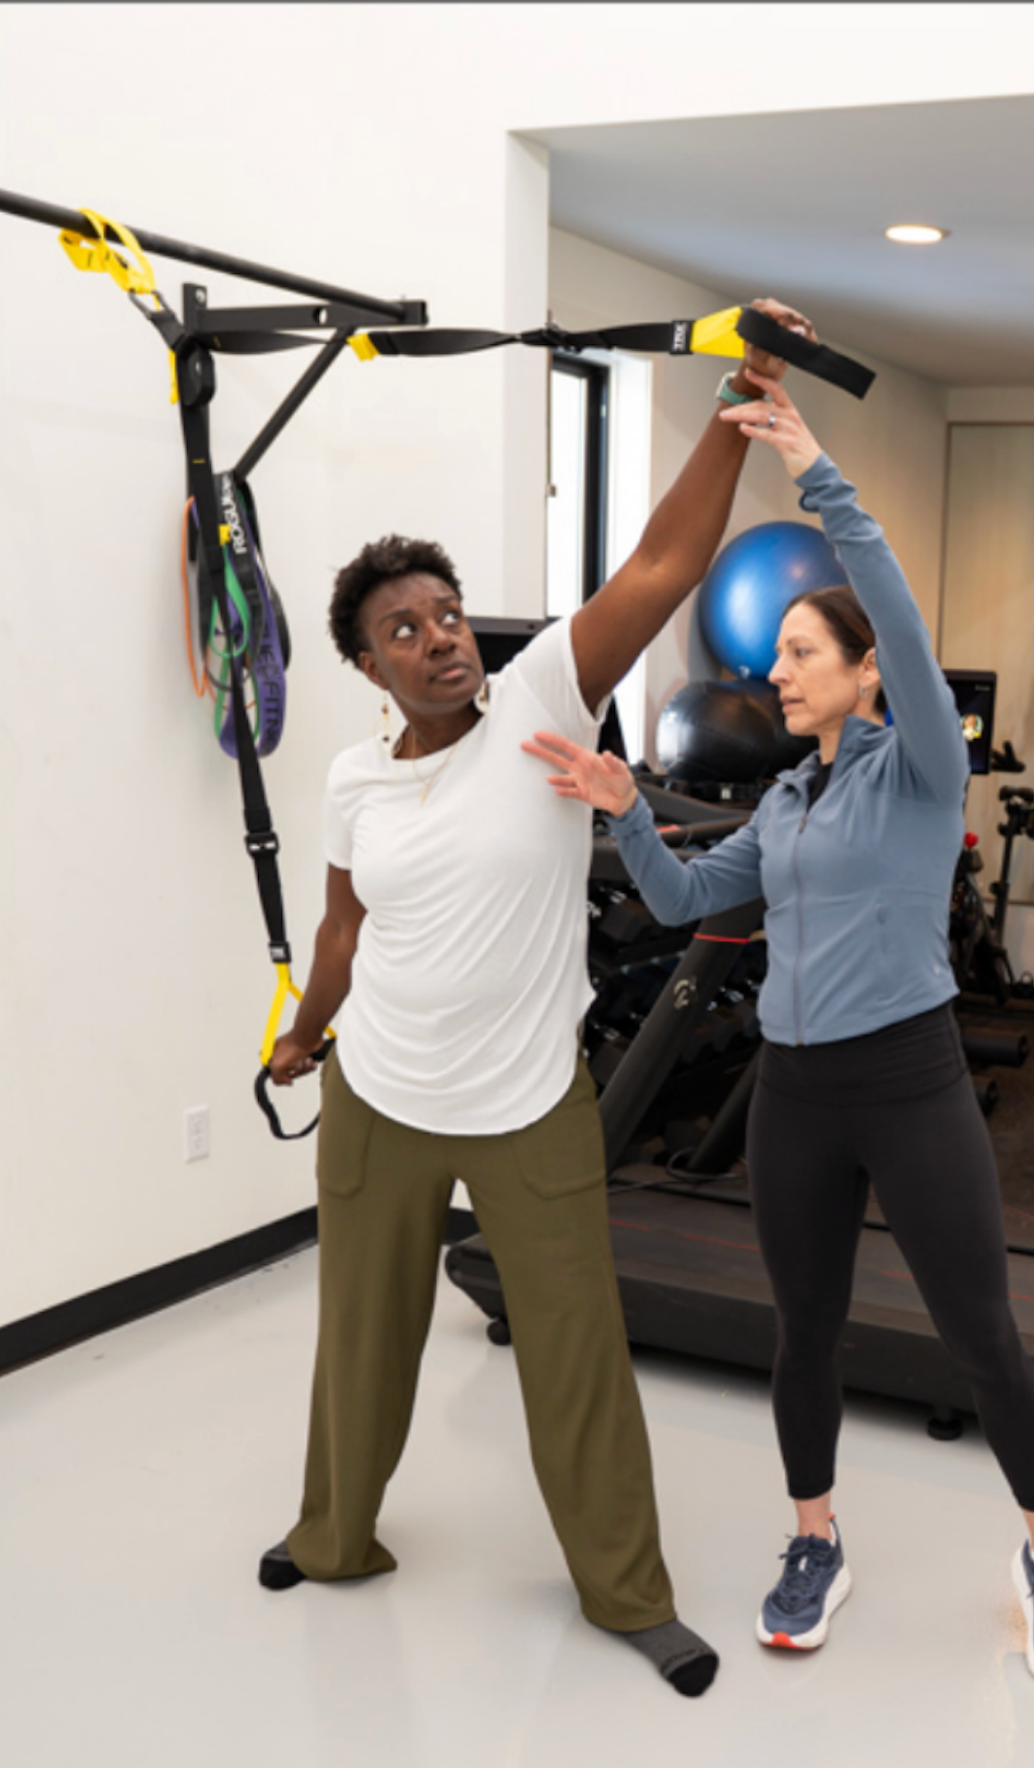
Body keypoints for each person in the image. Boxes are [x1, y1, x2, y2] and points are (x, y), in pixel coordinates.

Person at [258, 299, 814, 1697]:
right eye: (407, 629)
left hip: (525, 1103)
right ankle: (333, 1537)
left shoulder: (546, 695)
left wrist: (741, 409)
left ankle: (629, 1595)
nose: (442, 639)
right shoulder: (350, 781)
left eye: (447, 614)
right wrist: (305, 1032)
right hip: (376, 1094)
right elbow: (340, 927)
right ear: (367, 662)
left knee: (575, 1351)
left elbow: (669, 559)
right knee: (359, 1340)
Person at [523, 372, 1034, 1692]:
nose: (771, 672)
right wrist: (621, 805)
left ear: (863, 676)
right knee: (806, 1327)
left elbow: (895, 609)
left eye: (799, 655)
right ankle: (814, 1540)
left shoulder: (919, 772)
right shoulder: (783, 804)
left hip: (909, 1083)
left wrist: (815, 472)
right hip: (797, 1093)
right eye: (771, 653)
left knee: (982, 1335)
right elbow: (680, 902)